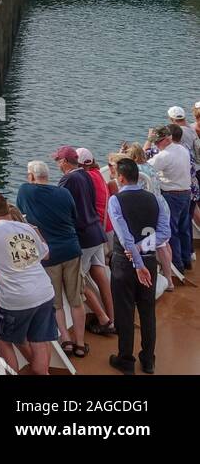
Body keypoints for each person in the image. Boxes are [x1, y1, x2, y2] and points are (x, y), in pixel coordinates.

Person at [0, 192, 59, 375]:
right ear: (7, 207)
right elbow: (44, 253)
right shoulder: (25, 228)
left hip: (17, 298)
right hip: (44, 291)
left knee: (4, 339)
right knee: (39, 340)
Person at [16, 160, 87, 358]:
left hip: (49, 255)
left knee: (56, 303)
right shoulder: (64, 193)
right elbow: (73, 216)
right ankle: (80, 343)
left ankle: (65, 339)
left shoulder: (25, 191)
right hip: (72, 250)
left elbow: (21, 216)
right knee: (76, 300)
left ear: (31, 176)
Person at [107, 158, 170, 375]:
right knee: (147, 310)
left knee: (124, 312)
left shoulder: (116, 201)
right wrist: (143, 249)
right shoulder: (155, 200)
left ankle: (126, 360)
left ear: (121, 178)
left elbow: (124, 238)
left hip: (125, 264)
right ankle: (148, 359)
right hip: (149, 261)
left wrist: (136, 258)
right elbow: (164, 232)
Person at [53, 145, 113, 334]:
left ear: (64, 162)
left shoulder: (67, 180)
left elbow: (62, 208)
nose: (56, 163)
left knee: (77, 282)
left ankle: (103, 318)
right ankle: (113, 318)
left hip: (84, 237)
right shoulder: (88, 175)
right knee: (100, 276)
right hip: (97, 233)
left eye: (57, 160)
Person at [147, 123, 193, 273]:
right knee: (184, 229)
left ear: (167, 139)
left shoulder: (164, 156)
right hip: (186, 193)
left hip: (172, 196)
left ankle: (177, 266)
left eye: (157, 142)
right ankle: (186, 260)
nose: (156, 145)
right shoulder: (182, 149)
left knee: (171, 231)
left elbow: (145, 168)